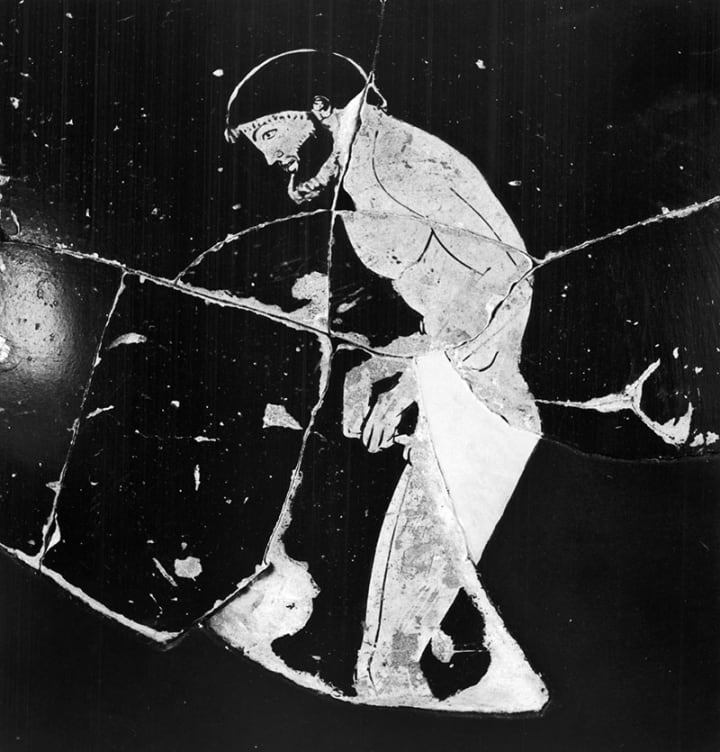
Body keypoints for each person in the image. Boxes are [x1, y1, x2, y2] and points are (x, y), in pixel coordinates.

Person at [222, 50, 547, 711]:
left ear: (318, 107)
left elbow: (503, 280)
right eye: (255, 141)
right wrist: (389, 363)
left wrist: (420, 380)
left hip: (486, 397)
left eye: (269, 131)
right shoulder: (365, 166)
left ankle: (422, 677)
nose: (268, 155)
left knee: (416, 573)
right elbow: (445, 296)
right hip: (464, 380)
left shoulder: (396, 163)